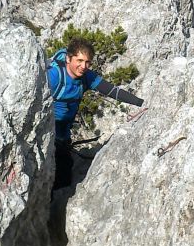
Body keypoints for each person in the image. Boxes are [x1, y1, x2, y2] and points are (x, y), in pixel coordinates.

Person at [46, 37, 144, 189]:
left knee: (64, 177)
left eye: (87, 62)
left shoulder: (86, 77)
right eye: (79, 60)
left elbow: (112, 91)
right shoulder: (54, 76)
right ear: (68, 58)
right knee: (55, 178)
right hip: (48, 136)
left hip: (63, 137)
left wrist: (141, 103)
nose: (83, 66)